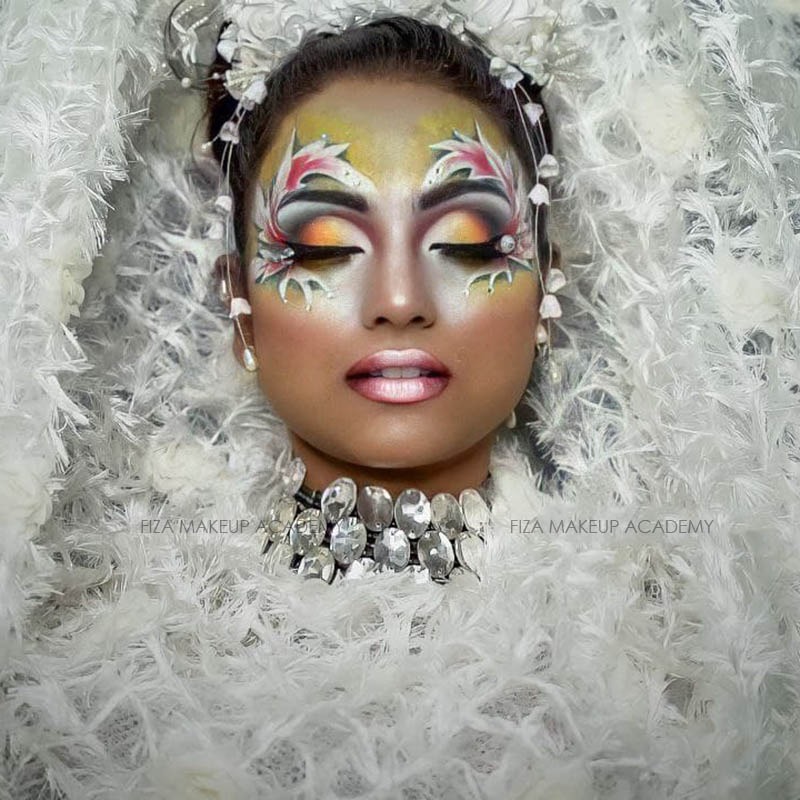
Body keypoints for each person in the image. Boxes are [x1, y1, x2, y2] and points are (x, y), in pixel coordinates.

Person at [188, 11, 567, 583]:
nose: (399, 300)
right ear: (238, 300)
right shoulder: (137, 622)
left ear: (546, 293)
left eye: (469, 242)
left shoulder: (656, 622)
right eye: (322, 247)